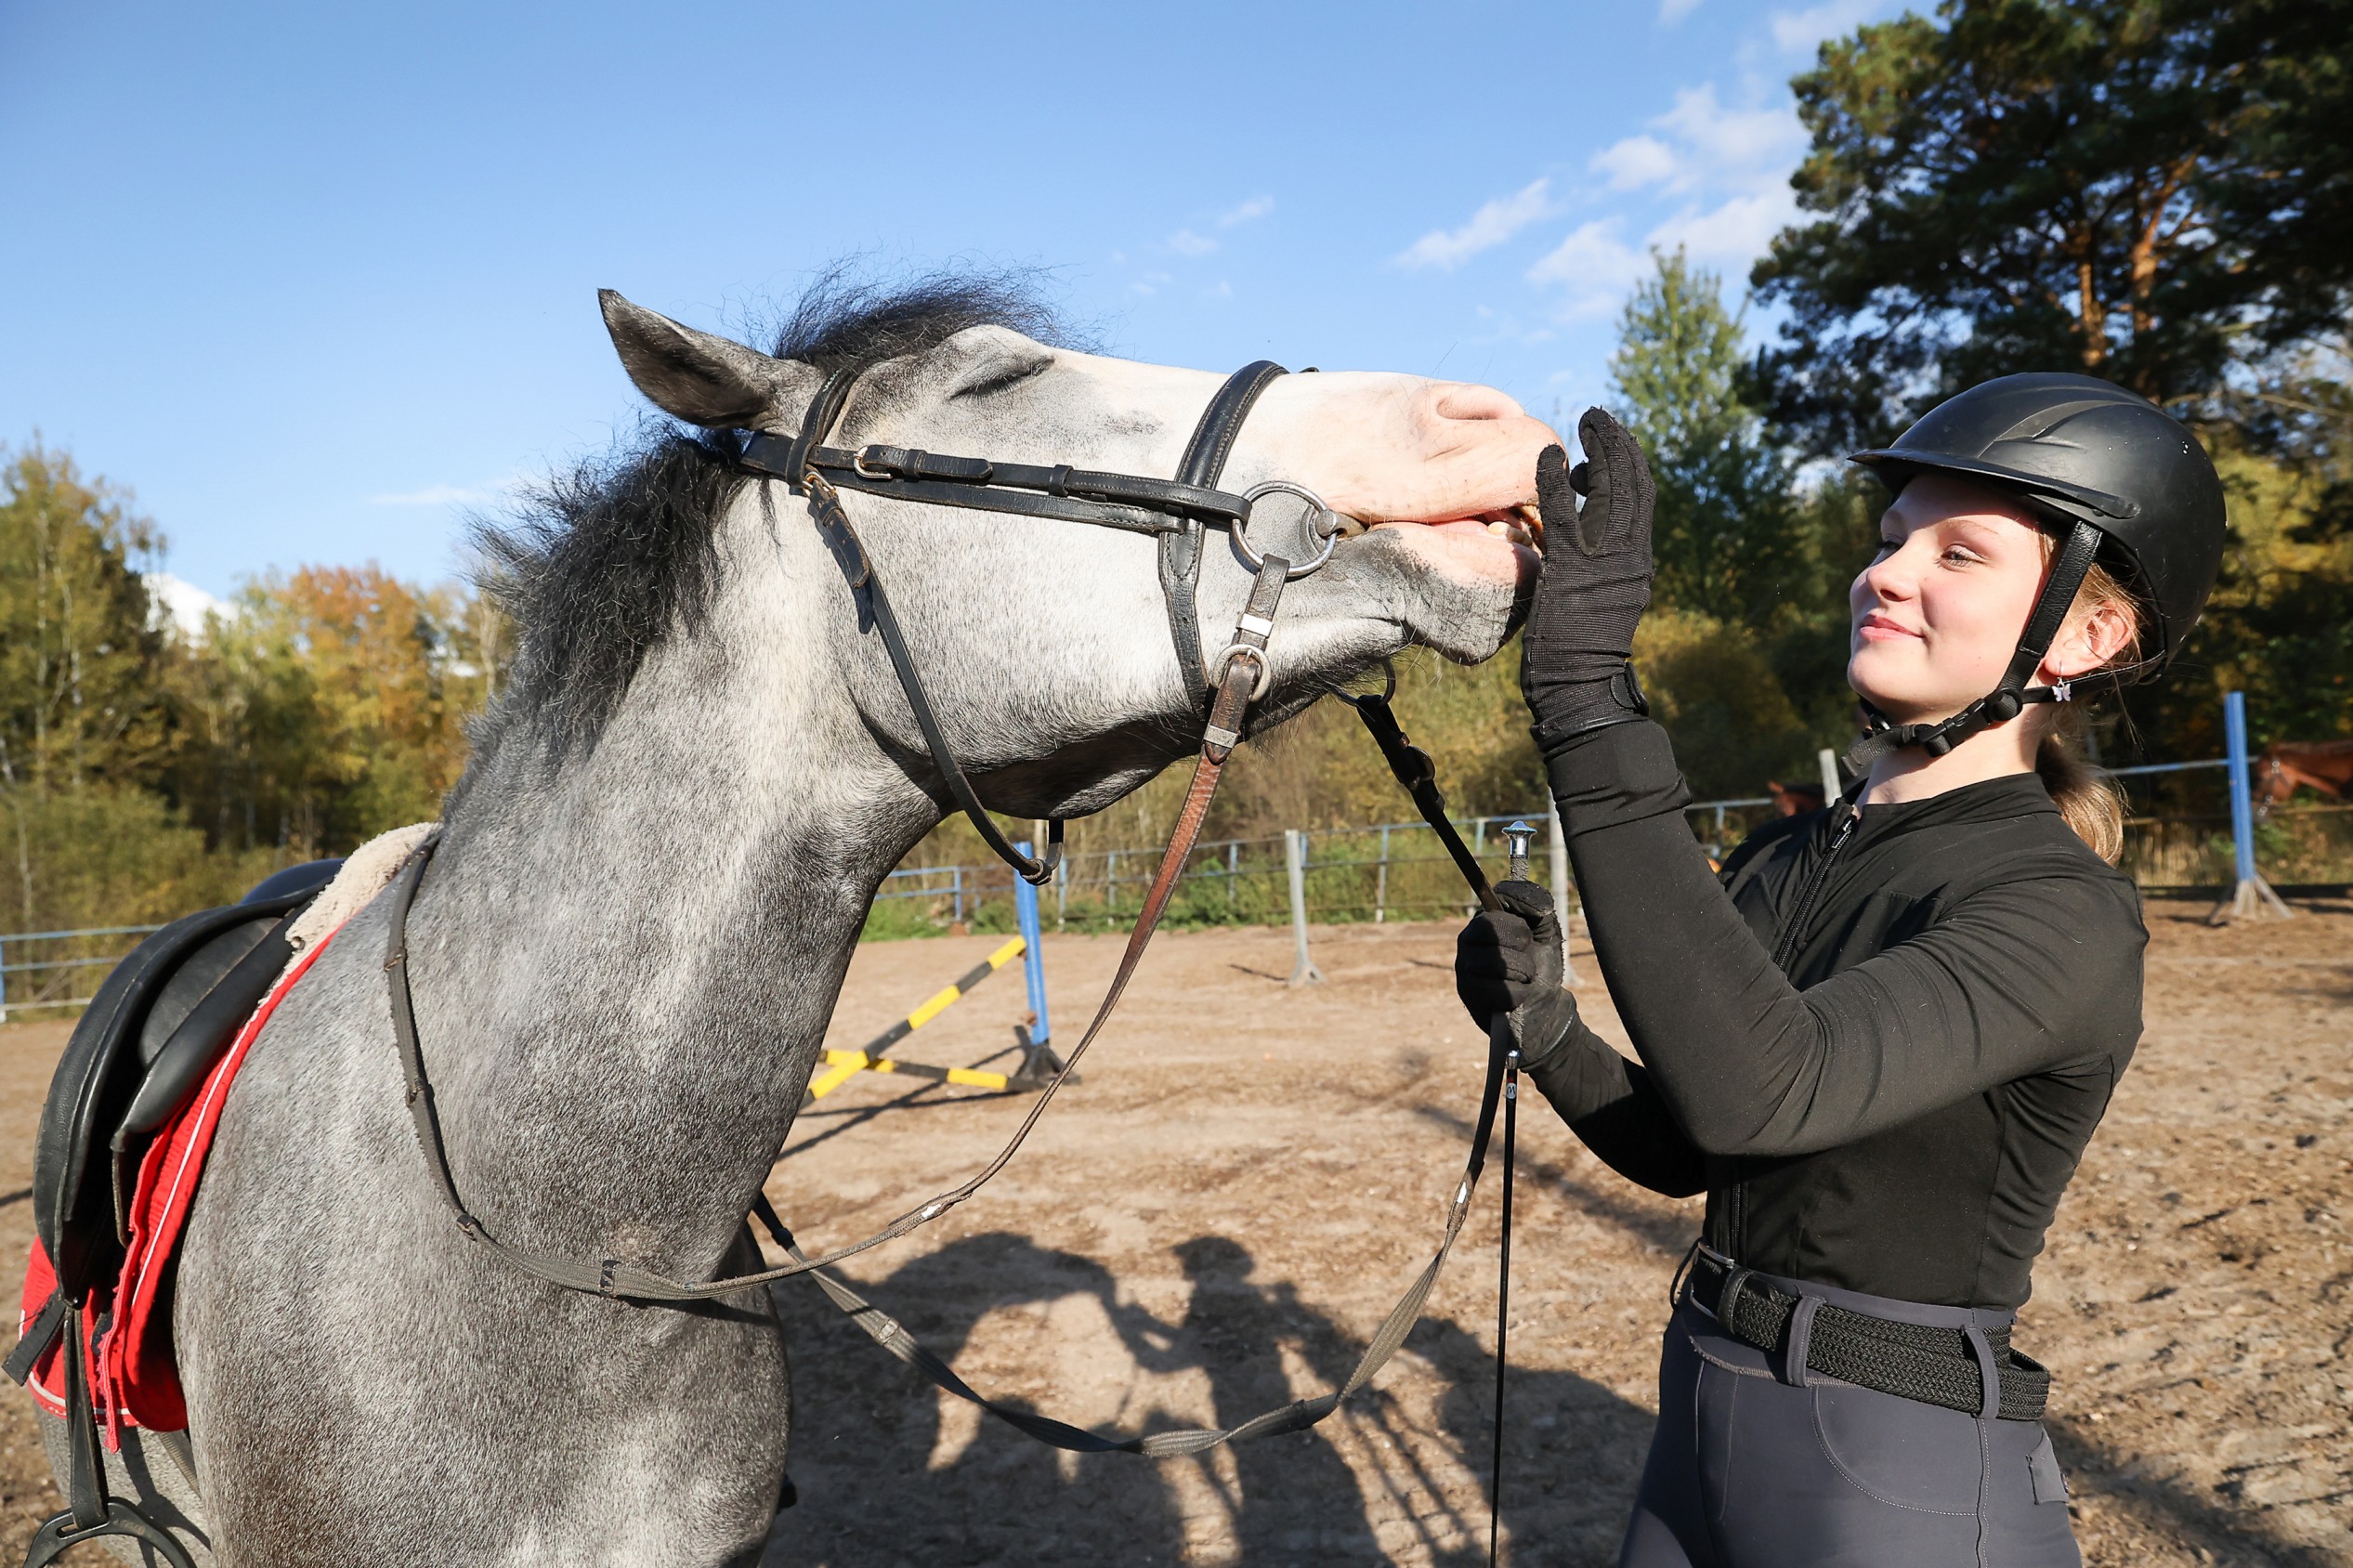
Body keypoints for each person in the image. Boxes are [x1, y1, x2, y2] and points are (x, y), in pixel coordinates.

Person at [1455, 374, 2228, 1568]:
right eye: (1887, 539)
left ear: (2084, 633)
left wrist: (1586, 704)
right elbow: (1692, 1142)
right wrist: (1546, 1025)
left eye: (1959, 552)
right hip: (1697, 1416)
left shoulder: (2061, 910)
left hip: (1897, 1465)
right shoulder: (1780, 855)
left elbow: (1770, 1087)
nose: (1890, 571)